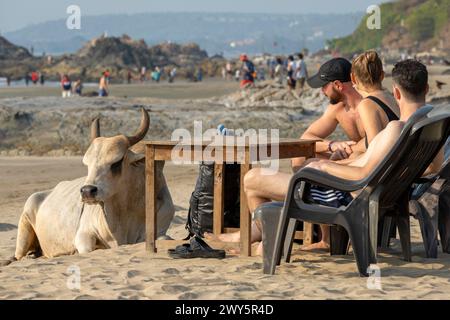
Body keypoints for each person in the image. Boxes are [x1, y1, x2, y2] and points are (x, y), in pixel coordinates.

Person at [205, 59, 444, 255]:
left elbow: (363, 175)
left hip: (342, 194)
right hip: (375, 193)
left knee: (253, 178)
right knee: (278, 174)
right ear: (426, 89)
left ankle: (262, 241)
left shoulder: (395, 130)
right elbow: (431, 167)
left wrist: (324, 167)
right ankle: (258, 236)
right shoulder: (425, 124)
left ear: (396, 92)